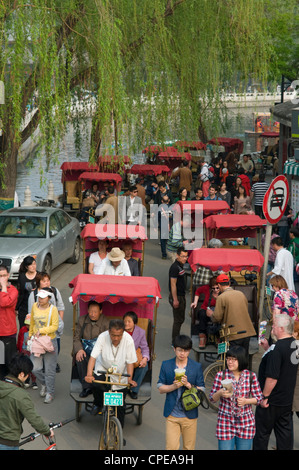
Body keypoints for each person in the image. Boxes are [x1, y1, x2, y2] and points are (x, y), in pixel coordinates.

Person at [253, 314, 299, 450]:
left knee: (261, 436)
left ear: (281, 328)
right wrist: (268, 348)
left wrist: (265, 397)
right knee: (285, 437)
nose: (271, 328)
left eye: (274, 326)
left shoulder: (278, 349)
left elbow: (272, 378)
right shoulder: (294, 345)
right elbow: (285, 365)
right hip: (286, 401)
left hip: (271, 402)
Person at [85, 319, 137, 427]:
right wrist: (89, 374)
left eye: (119, 335)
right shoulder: (102, 337)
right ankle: (98, 403)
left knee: (120, 407)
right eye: (113, 335)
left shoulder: (128, 340)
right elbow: (93, 357)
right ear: (109, 332)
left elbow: (130, 362)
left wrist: (130, 379)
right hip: (103, 368)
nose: (116, 338)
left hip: (121, 373)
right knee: (97, 384)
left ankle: (119, 433)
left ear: (123, 333)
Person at [209, 345, 263, 450]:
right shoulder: (221, 375)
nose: (230, 362)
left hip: (245, 422)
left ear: (241, 360)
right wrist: (220, 392)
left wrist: (246, 401)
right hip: (225, 422)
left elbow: (259, 398)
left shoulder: (250, 376)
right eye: (229, 359)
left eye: (234, 360)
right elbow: (212, 398)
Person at [157, 335, 205, 450]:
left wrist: (188, 385)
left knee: (189, 448)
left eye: (186, 351)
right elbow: (160, 388)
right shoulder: (166, 365)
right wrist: (174, 386)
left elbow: (202, 389)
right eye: (179, 350)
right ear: (174, 349)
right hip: (172, 415)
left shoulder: (196, 366)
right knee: (171, 447)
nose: (182, 354)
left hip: (190, 415)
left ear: (189, 351)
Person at [0, 353, 53, 450]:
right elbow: (34, 419)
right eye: (28, 373)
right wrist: (47, 432)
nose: (28, 376)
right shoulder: (21, 395)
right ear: (21, 374)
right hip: (8, 442)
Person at [206, 274, 256, 357]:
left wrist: (211, 314)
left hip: (233, 333)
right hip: (247, 332)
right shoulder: (241, 294)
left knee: (232, 359)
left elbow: (217, 318)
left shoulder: (221, 297)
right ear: (229, 283)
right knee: (243, 358)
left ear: (218, 285)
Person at [72, 300, 109, 398]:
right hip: (85, 349)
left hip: (100, 351)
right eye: (90, 311)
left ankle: (101, 385)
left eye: (95, 312)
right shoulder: (82, 320)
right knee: (80, 357)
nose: (92, 314)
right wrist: (79, 349)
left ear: (100, 311)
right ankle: (87, 387)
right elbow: (76, 338)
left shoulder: (106, 322)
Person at [29, 289, 59, 404]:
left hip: (50, 341)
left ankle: (50, 392)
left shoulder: (53, 309)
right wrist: (31, 334)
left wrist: (41, 330)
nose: (40, 299)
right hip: (37, 342)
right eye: (39, 297)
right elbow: (32, 322)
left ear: (49, 298)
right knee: (34, 367)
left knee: (50, 370)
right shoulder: (34, 306)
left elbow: (54, 326)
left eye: (43, 297)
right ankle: (45, 384)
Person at [123, 311, 150, 399]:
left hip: (134, 357)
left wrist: (145, 359)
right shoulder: (120, 330)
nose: (126, 323)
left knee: (144, 366)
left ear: (134, 322)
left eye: (129, 321)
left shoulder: (141, 332)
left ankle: (134, 390)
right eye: (125, 321)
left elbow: (144, 347)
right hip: (122, 356)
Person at [190, 276, 220, 349]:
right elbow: (198, 291)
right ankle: (202, 335)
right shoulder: (207, 289)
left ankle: (218, 336)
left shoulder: (223, 292)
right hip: (206, 309)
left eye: (217, 288)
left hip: (217, 311)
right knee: (202, 314)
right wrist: (195, 302)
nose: (215, 290)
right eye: (213, 288)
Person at [0, 266, 18, 380]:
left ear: (8, 276)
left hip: (8, 332)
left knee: (9, 361)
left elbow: (5, 302)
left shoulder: (13, 290)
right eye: (0, 276)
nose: (2, 278)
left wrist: (3, 288)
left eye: (4, 276)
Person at [169, 248, 189, 345]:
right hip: (178, 296)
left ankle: (176, 338)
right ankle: (175, 341)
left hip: (181, 295)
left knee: (180, 319)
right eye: (183, 256)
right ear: (177, 256)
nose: (185, 258)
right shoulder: (174, 267)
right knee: (178, 320)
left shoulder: (180, 266)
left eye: (186, 256)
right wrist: (175, 299)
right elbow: (173, 284)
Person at [16, 255, 38, 328]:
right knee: (24, 329)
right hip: (24, 308)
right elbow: (20, 293)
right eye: (30, 265)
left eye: (34, 264)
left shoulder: (40, 276)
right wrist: (17, 308)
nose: (33, 266)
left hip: (38, 307)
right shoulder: (22, 277)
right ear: (26, 267)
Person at [16, 314, 37, 389]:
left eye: (29, 324)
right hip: (24, 350)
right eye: (27, 324)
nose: (28, 326)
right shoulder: (22, 329)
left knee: (33, 366)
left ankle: (34, 381)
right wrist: (18, 348)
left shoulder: (35, 331)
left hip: (32, 351)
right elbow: (19, 339)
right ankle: (27, 380)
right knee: (25, 366)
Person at [288, 227, 299, 295]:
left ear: (292, 234)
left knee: (295, 280)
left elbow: (291, 254)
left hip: (295, 264)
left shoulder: (293, 243)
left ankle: (295, 295)